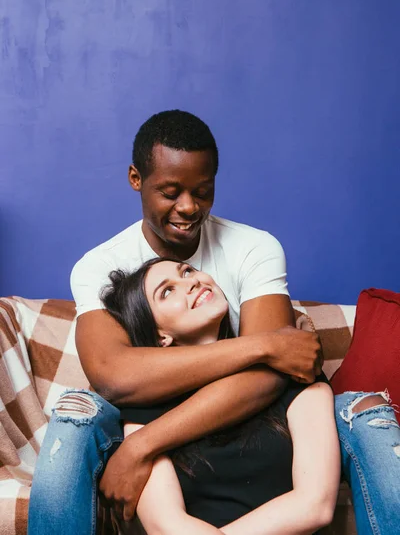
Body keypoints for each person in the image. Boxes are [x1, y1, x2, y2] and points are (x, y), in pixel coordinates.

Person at [28, 110, 400, 535]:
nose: (188, 207)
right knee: (77, 415)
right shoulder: (98, 266)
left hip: (256, 412)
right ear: (136, 179)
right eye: (170, 192)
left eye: (202, 191)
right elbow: (115, 377)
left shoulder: (253, 247)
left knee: (366, 413)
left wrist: (145, 444)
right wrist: (267, 345)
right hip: (146, 414)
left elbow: (274, 380)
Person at [101, 256, 341, 534]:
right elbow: (166, 526)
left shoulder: (294, 374)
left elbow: (316, 505)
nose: (190, 282)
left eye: (187, 271)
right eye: (167, 291)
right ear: (160, 336)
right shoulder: (144, 410)